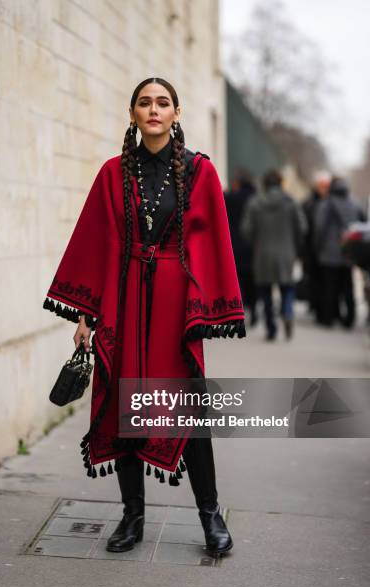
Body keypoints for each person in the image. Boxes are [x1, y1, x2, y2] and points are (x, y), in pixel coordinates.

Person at [42, 77, 246, 558]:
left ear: (176, 112)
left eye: (163, 103)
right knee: (124, 404)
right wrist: (87, 316)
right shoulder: (112, 173)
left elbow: (213, 241)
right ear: (133, 113)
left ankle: (210, 515)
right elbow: (95, 244)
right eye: (144, 102)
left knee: (189, 409)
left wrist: (203, 308)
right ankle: (133, 515)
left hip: (177, 305)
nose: (153, 110)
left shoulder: (200, 172)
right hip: (125, 298)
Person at [240, 169, 306, 341]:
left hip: (262, 253)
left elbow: (246, 230)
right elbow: (302, 228)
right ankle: (287, 311)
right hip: (287, 252)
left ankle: (271, 328)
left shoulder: (255, 203)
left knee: (265, 291)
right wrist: (295, 246)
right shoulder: (291, 202)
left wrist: (256, 241)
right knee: (287, 287)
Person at [314, 176, 365, 328]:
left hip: (329, 252)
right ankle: (350, 319)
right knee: (348, 287)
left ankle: (328, 318)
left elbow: (320, 228)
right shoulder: (354, 203)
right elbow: (362, 225)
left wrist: (317, 248)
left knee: (330, 286)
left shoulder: (326, 204)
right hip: (349, 252)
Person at [224, 168, 258, 325]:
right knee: (253, 279)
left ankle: (239, 311)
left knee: (238, 279)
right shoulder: (257, 199)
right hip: (254, 246)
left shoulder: (230, 198)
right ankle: (255, 310)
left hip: (234, 244)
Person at [300, 171, 331, 321]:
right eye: (322, 185)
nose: (324, 188)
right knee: (314, 280)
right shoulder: (309, 203)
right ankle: (315, 305)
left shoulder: (330, 203)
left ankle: (321, 309)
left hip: (324, 249)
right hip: (311, 249)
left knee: (324, 282)